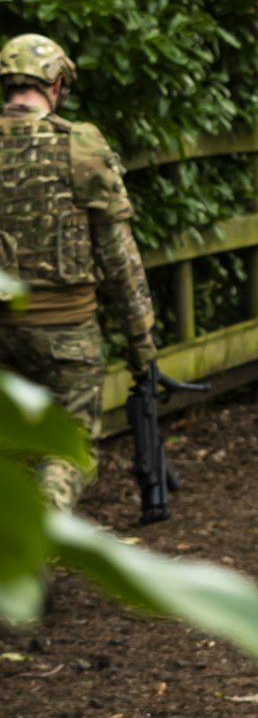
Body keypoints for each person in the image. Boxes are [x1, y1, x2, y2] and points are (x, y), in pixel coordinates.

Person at [0, 33, 156, 510]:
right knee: (67, 446)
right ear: (58, 83)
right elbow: (118, 255)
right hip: (67, 334)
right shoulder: (80, 145)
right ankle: (40, 544)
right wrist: (142, 344)